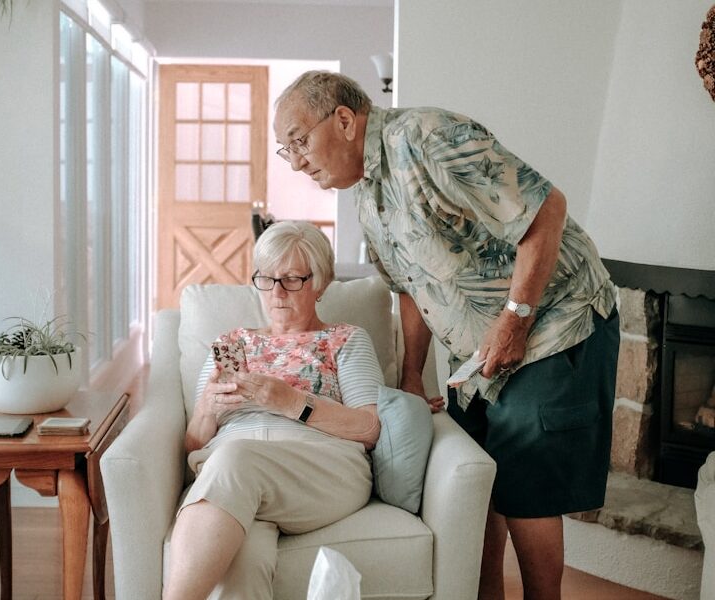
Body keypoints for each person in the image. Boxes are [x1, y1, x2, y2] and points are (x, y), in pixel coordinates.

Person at [273, 71, 620, 600]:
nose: (296, 161)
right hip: (477, 351)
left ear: (343, 119)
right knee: (480, 484)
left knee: (527, 484)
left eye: (298, 141)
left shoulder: (426, 136)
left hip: (554, 322)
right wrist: (413, 372)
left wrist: (515, 319)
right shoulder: (367, 196)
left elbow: (547, 209)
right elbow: (410, 289)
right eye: (285, 150)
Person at [163, 220, 384, 600]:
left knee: (236, 459)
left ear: (321, 283)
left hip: (321, 469)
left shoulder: (345, 339)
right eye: (266, 278)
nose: (276, 292)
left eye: (292, 279)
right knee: (240, 562)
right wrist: (207, 408)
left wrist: (294, 403)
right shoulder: (232, 343)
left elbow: (370, 428)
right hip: (236, 474)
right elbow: (194, 443)